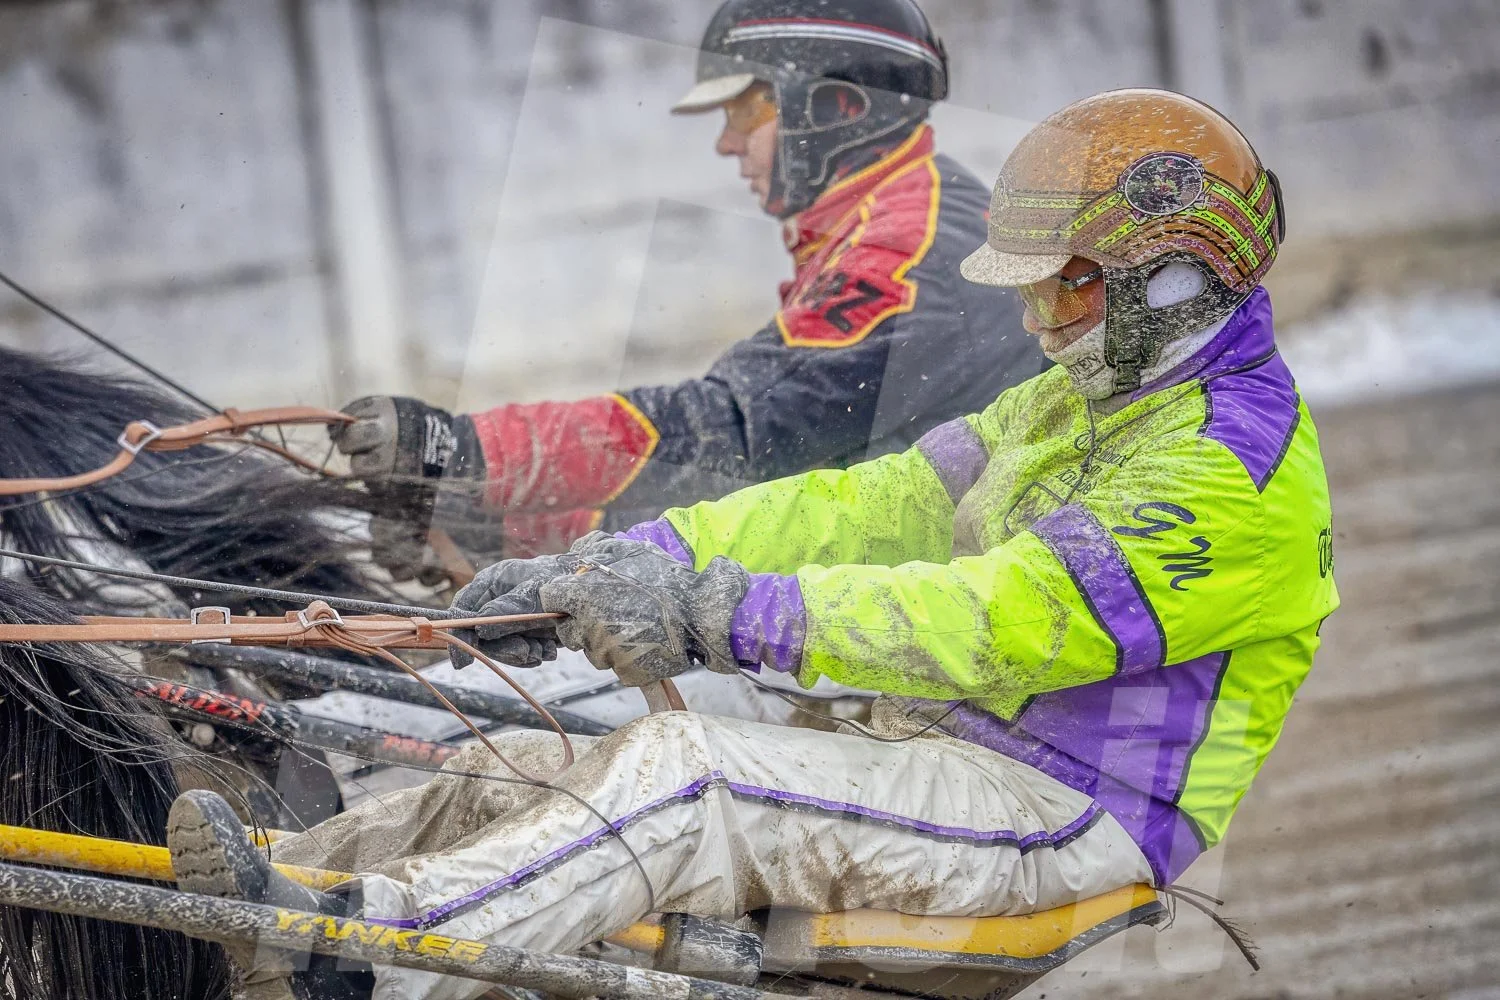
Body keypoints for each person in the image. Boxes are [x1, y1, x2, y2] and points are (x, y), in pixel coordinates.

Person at [169, 89, 1338, 1000]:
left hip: (1062, 814)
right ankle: (273, 892)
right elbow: (864, 506)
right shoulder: (1070, 406)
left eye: (1067, 292)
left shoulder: (1230, 470)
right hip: (936, 748)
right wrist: (634, 558)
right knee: (536, 760)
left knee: (695, 773)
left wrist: (714, 611)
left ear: (1175, 275)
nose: (1036, 324)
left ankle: (368, 955)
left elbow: (1000, 621)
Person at [329, 0, 1040, 582]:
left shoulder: (907, 250)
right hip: (915, 571)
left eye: (744, 112)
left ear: (836, 107)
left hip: (953, 602)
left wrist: (466, 451)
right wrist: (504, 528)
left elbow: (731, 436)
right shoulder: (904, 213)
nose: (726, 145)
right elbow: (788, 491)